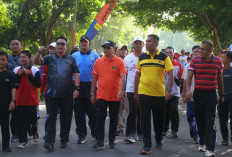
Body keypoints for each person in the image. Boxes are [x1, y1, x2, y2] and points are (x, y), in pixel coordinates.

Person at [34, 36, 80, 151]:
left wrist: (77, 88)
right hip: (51, 95)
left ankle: (64, 140)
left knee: (66, 118)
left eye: (62, 44)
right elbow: (36, 62)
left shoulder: (71, 59)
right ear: (56, 46)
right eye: (58, 44)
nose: (60, 45)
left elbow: (76, 74)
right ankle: (49, 142)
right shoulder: (49, 58)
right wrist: (39, 52)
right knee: (51, 118)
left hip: (67, 94)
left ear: (66, 46)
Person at [134, 34, 174, 155]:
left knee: (158, 119)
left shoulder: (164, 57)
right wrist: (136, 91)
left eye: (149, 42)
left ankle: (158, 139)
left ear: (156, 43)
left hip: (159, 94)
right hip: (144, 93)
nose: (146, 43)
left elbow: (170, 73)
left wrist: (169, 90)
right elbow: (137, 75)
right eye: (146, 41)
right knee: (144, 120)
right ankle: (147, 145)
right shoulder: (142, 57)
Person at [186, 40, 224, 157]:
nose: (200, 51)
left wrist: (221, 94)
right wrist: (187, 91)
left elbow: (220, 79)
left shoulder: (218, 61)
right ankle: (202, 141)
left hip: (211, 94)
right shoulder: (195, 60)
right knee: (200, 120)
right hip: (198, 94)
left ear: (210, 50)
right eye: (200, 48)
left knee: (210, 120)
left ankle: (210, 149)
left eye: (203, 49)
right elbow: (189, 76)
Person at [90, 40, 127, 150]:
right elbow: (94, 78)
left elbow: (123, 76)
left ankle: (111, 140)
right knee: (100, 117)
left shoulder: (120, 61)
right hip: (101, 95)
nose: (106, 50)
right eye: (104, 48)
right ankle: (100, 141)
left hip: (115, 96)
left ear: (114, 50)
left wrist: (121, 91)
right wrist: (92, 93)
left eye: (108, 48)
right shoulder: (98, 61)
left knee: (114, 118)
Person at [72, 35, 100, 144]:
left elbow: (98, 73)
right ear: (79, 44)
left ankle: (95, 133)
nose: (84, 44)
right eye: (82, 42)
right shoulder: (74, 55)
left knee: (92, 112)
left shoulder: (95, 56)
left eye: (86, 42)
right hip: (77, 86)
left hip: (91, 86)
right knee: (79, 113)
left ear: (89, 44)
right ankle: (81, 135)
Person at [13, 50, 41, 149]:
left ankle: (34, 131)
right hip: (20, 100)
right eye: (21, 57)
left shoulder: (34, 70)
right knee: (21, 121)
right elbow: (13, 84)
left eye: (24, 57)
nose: (22, 59)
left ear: (29, 58)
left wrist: (29, 75)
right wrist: (18, 75)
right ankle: (23, 141)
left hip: (32, 100)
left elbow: (38, 84)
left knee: (33, 120)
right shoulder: (16, 69)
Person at [124, 36, 144, 143]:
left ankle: (141, 133)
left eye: (139, 43)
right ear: (133, 45)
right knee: (132, 111)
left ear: (143, 45)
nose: (137, 45)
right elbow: (124, 75)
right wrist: (123, 89)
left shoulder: (146, 57)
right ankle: (130, 134)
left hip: (144, 89)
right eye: (135, 43)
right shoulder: (127, 58)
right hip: (131, 89)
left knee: (142, 112)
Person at [163, 46, 183, 138]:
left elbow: (182, 78)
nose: (168, 54)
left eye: (170, 53)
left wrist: (176, 79)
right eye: (167, 52)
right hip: (162, 92)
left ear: (173, 54)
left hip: (175, 92)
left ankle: (174, 130)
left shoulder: (178, 64)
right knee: (165, 111)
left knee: (173, 110)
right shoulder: (161, 64)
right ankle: (165, 129)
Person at [182, 45, 200, 144]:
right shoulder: (188, 66)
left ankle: (199, 135)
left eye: (199, 51)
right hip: (190, 96)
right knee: (190, 116)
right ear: (192, 54)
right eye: (195, 52)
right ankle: (194, 133)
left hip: (201, 97)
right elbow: (185, 80)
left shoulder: (203, 64)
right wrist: (184, 94)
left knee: (199, 117)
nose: (197, 53)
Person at [0, 51, 16, 152]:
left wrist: (13, 101)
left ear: (7, 61)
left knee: (5, 125)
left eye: (3, 59)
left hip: (5, 104)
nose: (0, 61)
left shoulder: (10, 74)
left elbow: (13, 89)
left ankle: (6, 145)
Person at [8, 38, 21, 142]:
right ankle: (15, 134)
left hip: (25, 88)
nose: (15, 46)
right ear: (10, 46)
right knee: (14, 112)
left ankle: (28, 130)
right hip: (11, 88)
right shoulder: (7, 59)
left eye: (17, 44)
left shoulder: (26, 57)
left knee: (25, 111)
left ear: (20, 45)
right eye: (13, 44)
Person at [218, 51, 232, 146]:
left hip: (231, 98)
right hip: (221, 98)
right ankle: (225, 139)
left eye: (224, 57)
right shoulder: (220, 71)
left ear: (229, 59)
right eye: (221, 57)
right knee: (222, 120)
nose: (222, 59)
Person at [115, 45, 129, 136]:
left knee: (129, 110)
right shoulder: (114, 61)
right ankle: (120, 128)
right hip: (118, 89)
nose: (123, 51)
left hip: (129, 89)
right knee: (118, 110)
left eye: (125, 50)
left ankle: (130, 129)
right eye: (121, 50)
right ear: (116, 51)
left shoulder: (129, 60)